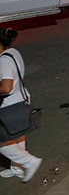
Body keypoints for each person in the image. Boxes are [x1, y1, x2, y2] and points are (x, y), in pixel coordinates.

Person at [0, 28, 42, 183]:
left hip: (9, 105)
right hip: (21, 100)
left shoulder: (3, 60)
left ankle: (28, 161)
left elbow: (6, 87)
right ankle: (17, 167)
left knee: (2, 140)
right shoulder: (13, 52)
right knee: (17, 134)